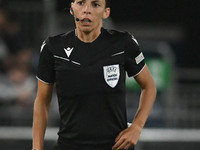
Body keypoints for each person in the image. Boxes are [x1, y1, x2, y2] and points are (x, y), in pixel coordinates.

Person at [32, 0, 157, 150]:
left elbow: (149, 86)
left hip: (114, 146)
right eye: (81, 3)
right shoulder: (53, 48)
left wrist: (137, 127)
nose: (87, 10)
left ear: (106, 12)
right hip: (69, 145)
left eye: (95, 4)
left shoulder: (123, 43)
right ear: (72, 8)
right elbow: (42, 101)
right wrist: (36, 148)